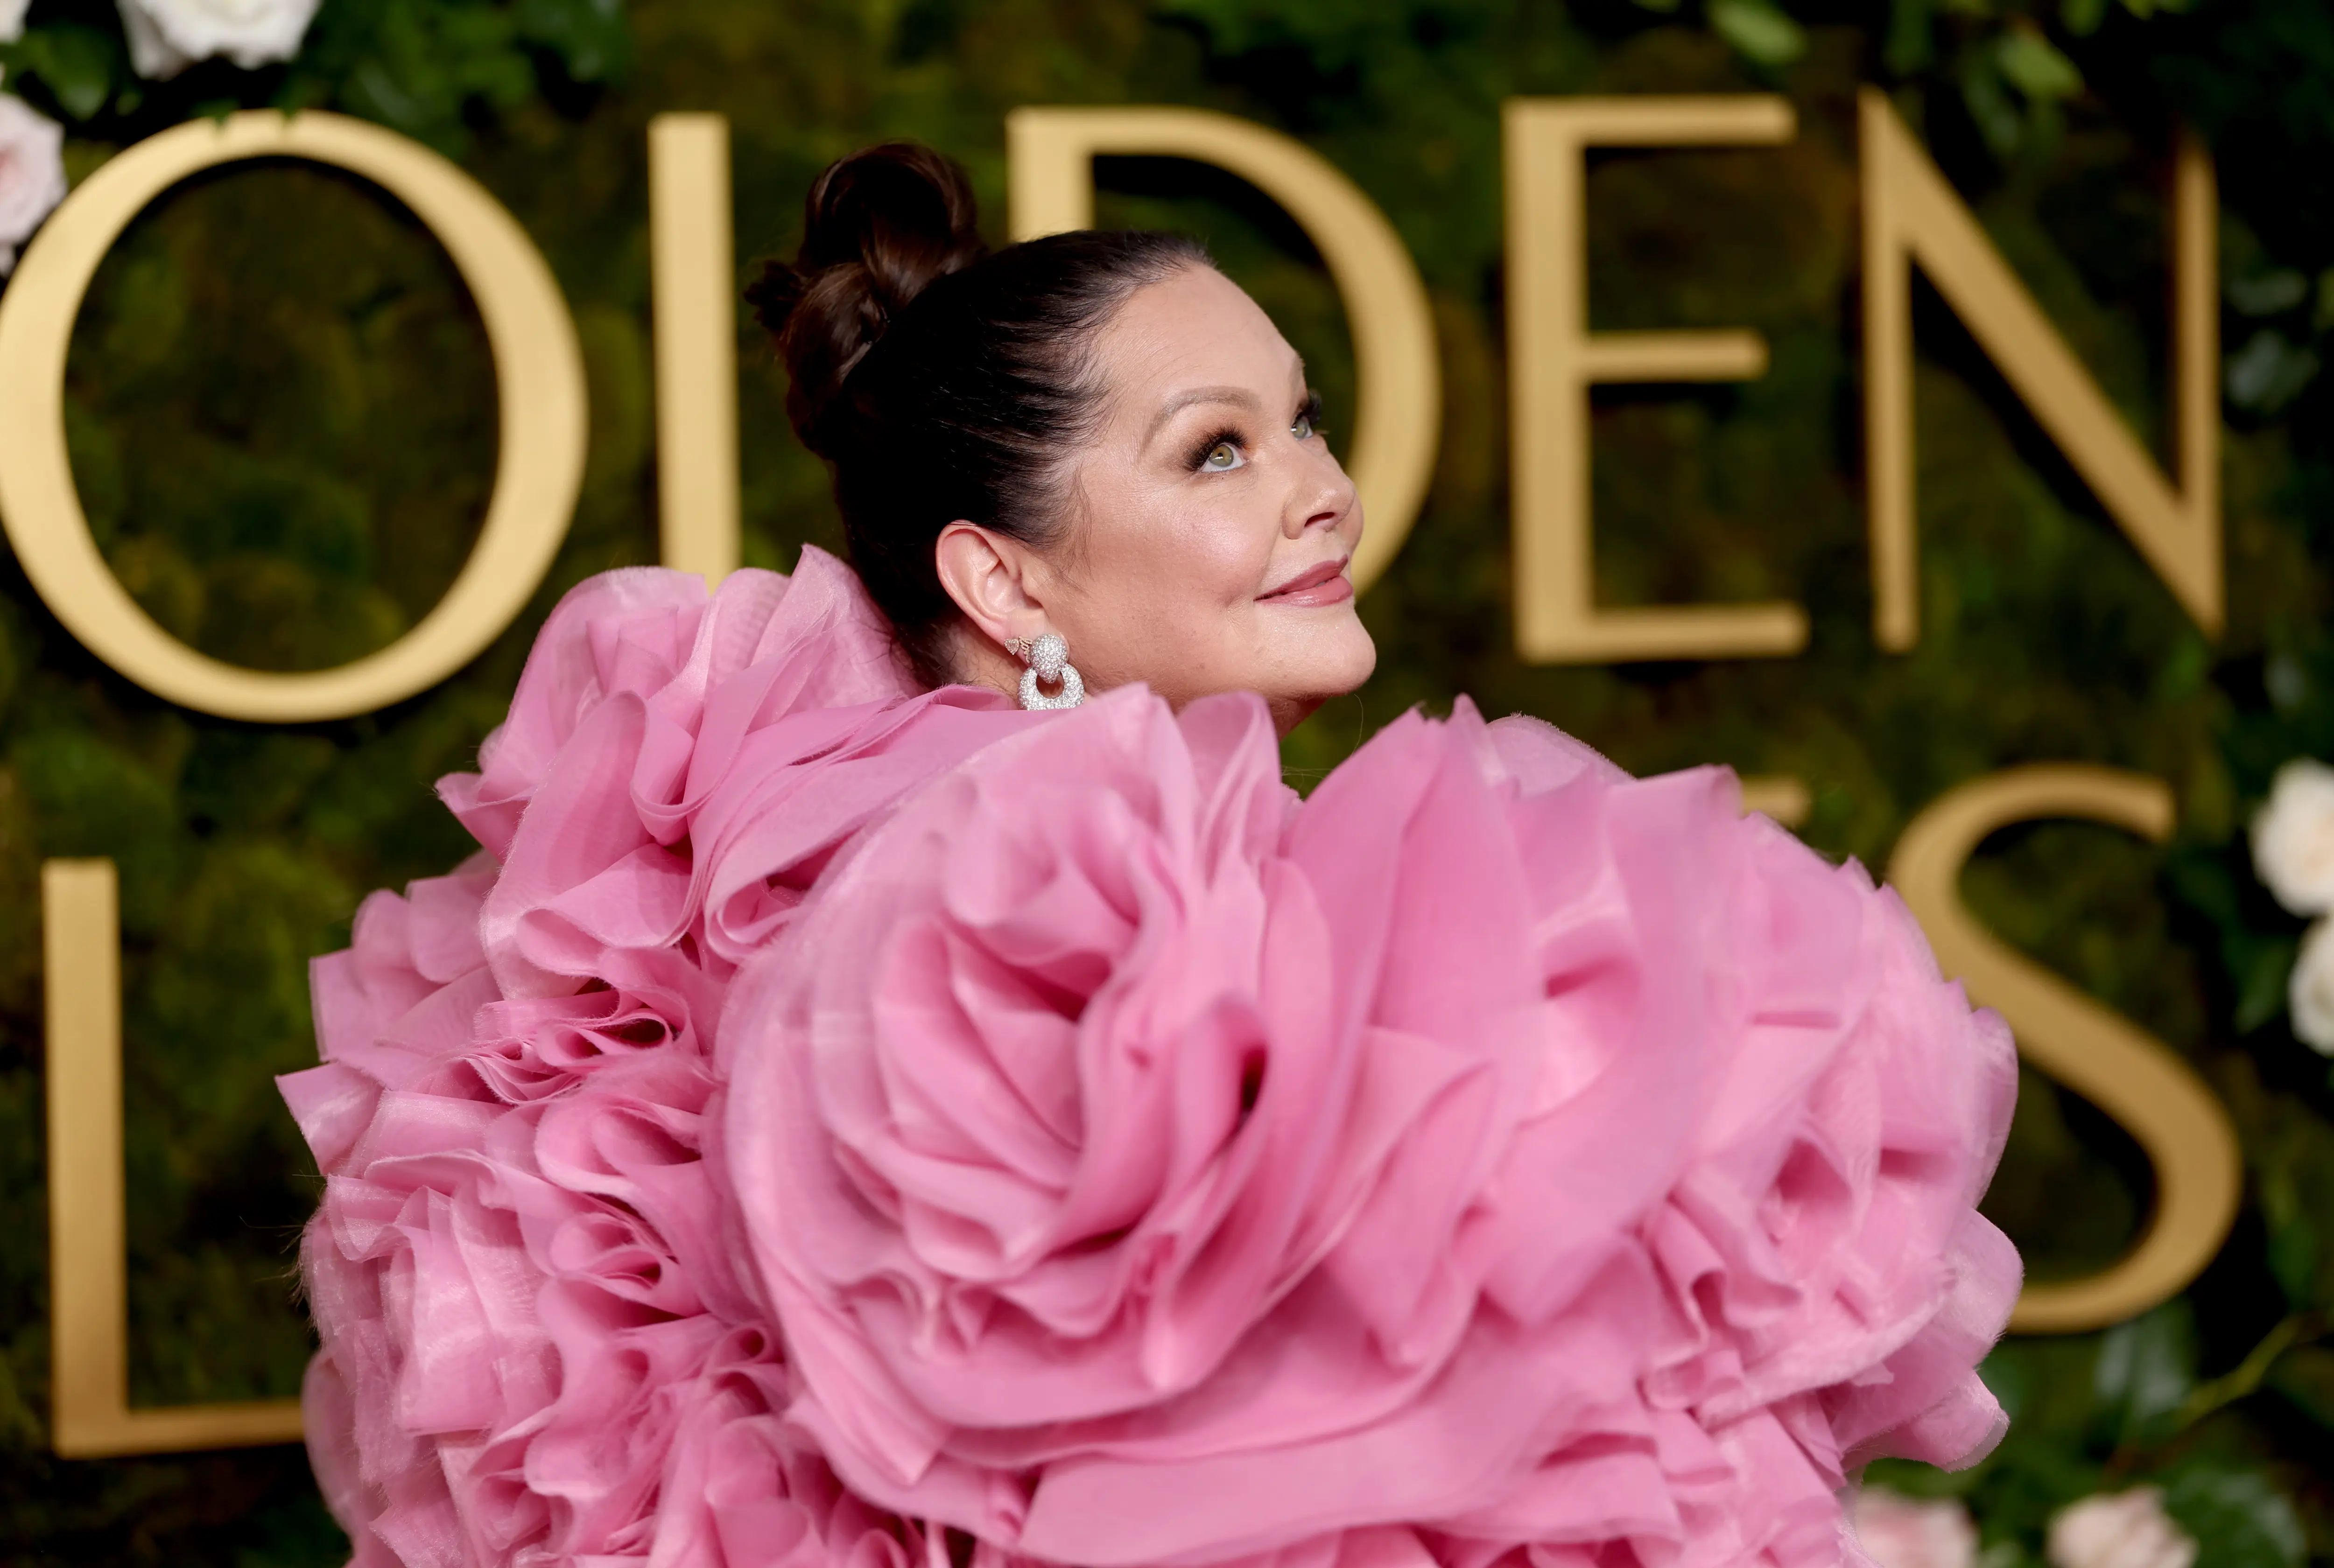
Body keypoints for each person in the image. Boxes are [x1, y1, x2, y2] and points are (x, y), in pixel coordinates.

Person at [284, 142, 2020, 1568]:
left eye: (1305, 418)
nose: (1323, 487)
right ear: (1005, 583)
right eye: (1218, 450)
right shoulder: (1024, 910)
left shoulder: (836, 833)